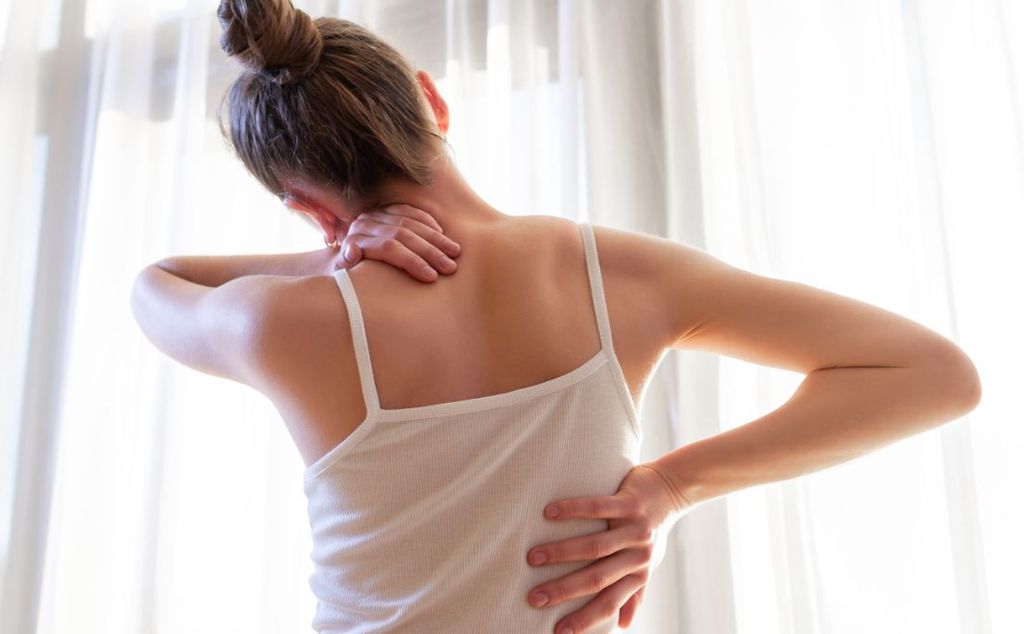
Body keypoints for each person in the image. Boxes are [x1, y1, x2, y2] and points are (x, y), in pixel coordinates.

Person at [128, 1, 983, 632]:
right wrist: (670, 486)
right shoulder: (623, 275)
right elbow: (934, 375)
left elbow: (156, 286)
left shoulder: (277, 323)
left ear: (305, 207)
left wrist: (334, 256)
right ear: (432, 101)